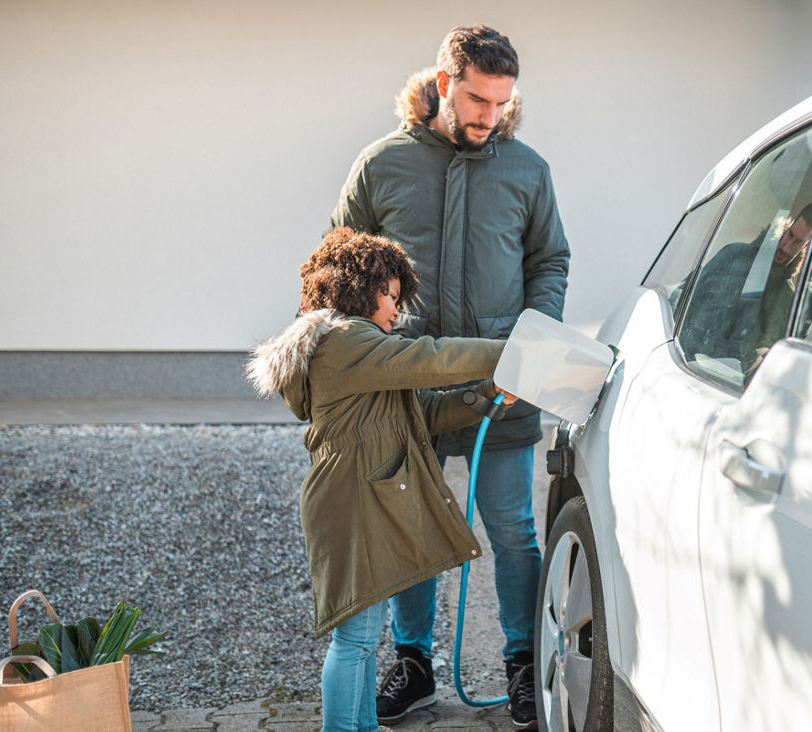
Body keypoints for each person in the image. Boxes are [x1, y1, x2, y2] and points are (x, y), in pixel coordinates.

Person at [324, 25, 568, 729]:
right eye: (475, 99)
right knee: (407, 531)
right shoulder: (382, 164)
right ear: (442, 82)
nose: (488, 117)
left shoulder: (527, 171)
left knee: (514, 532)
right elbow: (336, 259)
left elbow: (550, 260)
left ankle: (523, 665)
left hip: (502, 387)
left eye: (501, 103)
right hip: (405, 395)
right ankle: (415, 665)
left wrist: (534, 339)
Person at [246, 228, 516, 732]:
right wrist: (515, 351)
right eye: (389, 296)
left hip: (354, 498)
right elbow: (431, 359)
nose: (397, 310)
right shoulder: (347, 341)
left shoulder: (360, 350)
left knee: (364, 636)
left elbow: (422, 413)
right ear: (356, 288)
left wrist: (485, 394)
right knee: (354, 639)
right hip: (351, 502)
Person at [742, 198, 812, 377]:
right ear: (793, 223)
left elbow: (776, 363)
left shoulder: (806, 302)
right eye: (795, 236)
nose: (792, 247)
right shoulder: (740, 257)